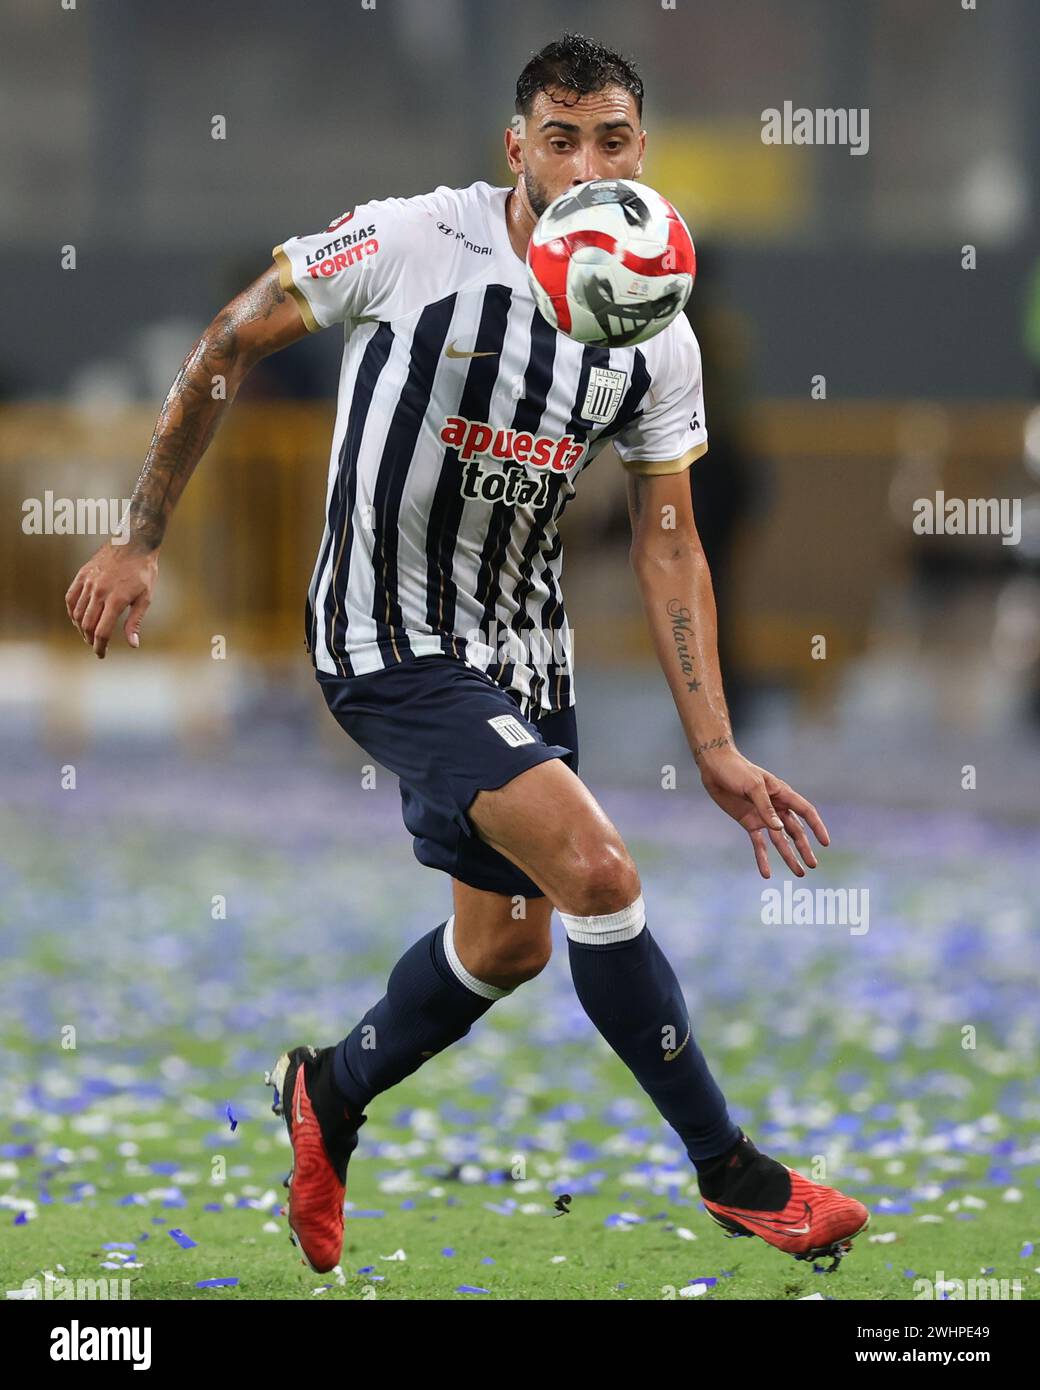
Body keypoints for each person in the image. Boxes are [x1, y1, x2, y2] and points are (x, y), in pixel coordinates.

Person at [65, 32, 867, 1277]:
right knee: (598, 870)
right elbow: (228, 342)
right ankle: (734, 1174)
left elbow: (670, 547)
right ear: (516, 147)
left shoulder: (655, 316)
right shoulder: (414, 240)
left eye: (610, 139)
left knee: (506, 943)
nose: (585, 161)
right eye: (560, 138)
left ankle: (325, 1093)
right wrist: (136, 538)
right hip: (385, 637)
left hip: (520, 648)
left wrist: (712, 745)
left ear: (638, 151)